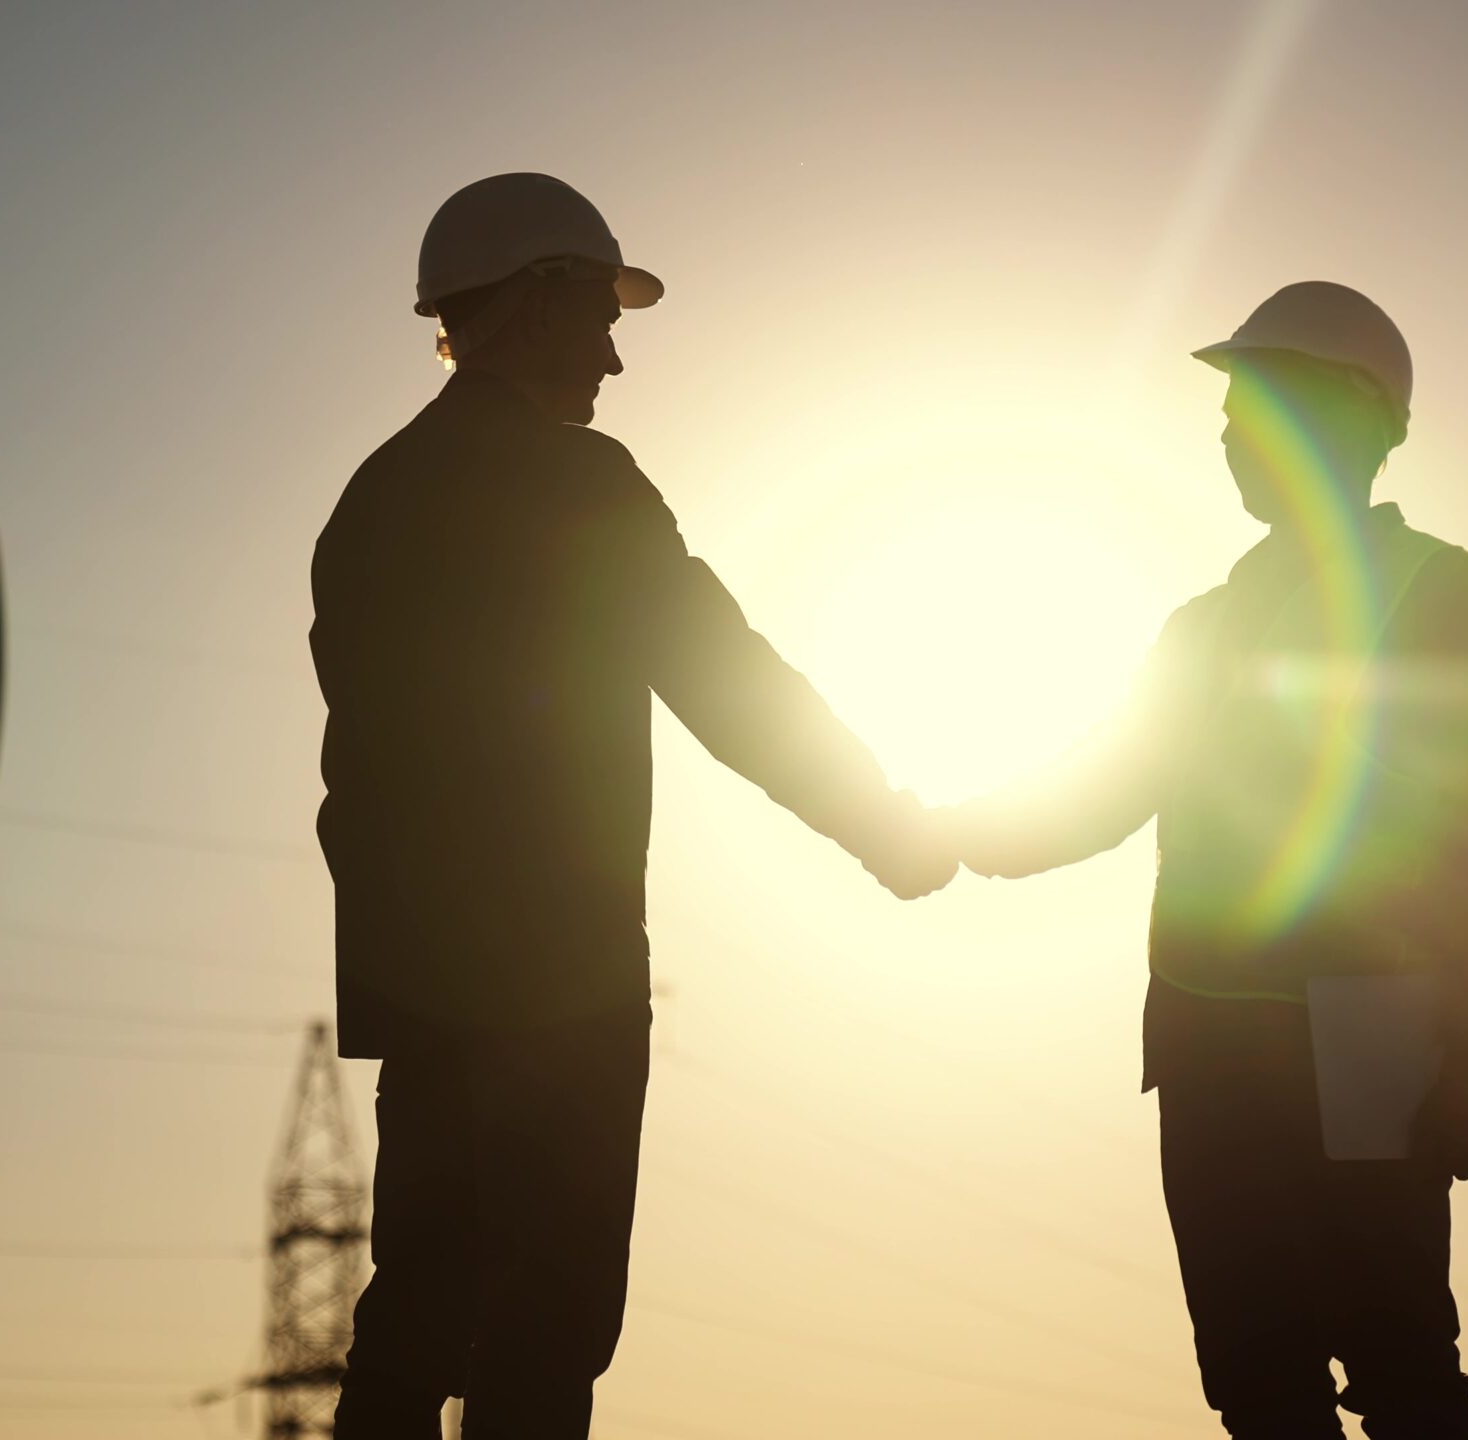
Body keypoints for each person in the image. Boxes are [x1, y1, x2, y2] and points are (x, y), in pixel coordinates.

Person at [311, 172, 951, 1440]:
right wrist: (886, 825)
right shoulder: (579, 484)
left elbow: (357, 778)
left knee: (417, 1308)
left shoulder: (369, 503)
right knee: (544, 1332)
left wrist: (401, 963)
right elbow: (724, 678)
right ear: (538, 304)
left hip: (424, 991)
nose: (613, 354)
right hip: (560, 982)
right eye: (600, 314)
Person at [948, 282, 1468, 1439]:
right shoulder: (1202, 625)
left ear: (1360, 426)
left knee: (1400, 1364)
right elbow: (1099, 791)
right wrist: (943, 832)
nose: (1230, 436)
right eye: (1230, 414)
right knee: (1257, 1382)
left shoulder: (1440, 596)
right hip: (1210, 1048)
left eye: (1262, 409)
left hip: (1367, 1042)